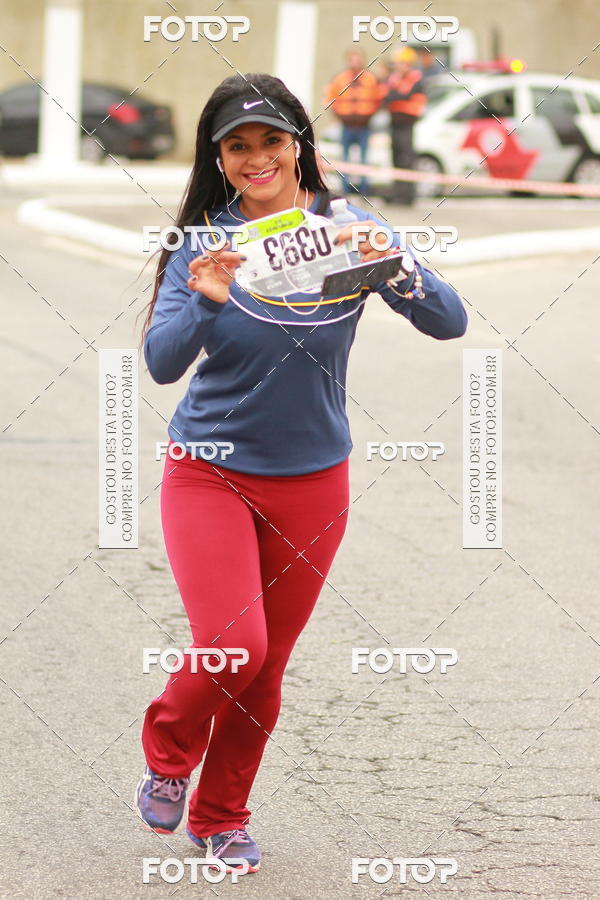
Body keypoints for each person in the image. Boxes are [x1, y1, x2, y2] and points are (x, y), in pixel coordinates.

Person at [135, 70, 467, 875]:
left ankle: (222, 819)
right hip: (208, 470)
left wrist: (395, 264)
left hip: (314, 478)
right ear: (219, 158)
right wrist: (208, 295)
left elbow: (449, 321)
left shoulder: (346, 227)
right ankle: (168, 750)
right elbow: (160, 361)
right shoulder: (207, 244)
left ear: (297, 145)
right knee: (232, 646)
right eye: (237, 146)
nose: (257, 159)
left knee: (266, 666)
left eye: (271, 141)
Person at [324, 49, 381, 196]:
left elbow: (378, 100)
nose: (355, 64)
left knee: (364, 159)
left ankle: (363, 191)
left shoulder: (371, 79)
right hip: (346, 126)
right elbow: (330, 99)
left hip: (364, 126)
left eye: (358, 60)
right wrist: (340, 117)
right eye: (352, 60)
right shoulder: (339, 79)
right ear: (348, 62)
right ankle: (345, 190)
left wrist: (368, 117)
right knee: (344, 159)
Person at [382, 46, 428, 205]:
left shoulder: (415, 79)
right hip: (395, 122)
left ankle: (408, 195)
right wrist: (395, 95)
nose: (397, 67)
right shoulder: (395, 78)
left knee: (406, 159)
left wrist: (395, 96)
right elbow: (387, 96)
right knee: (396, 159)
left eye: (400, 63)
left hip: (407, 123)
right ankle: (397, 193)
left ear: (408, 64)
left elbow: (403, 95)